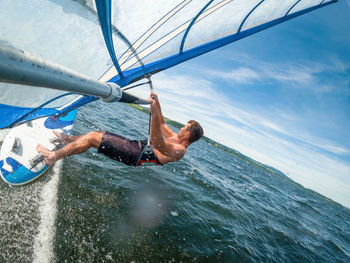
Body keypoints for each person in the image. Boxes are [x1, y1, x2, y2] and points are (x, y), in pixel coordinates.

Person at [37, 92, 203, 166]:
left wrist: (152, 113)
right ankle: (68, 140)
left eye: (184, 127)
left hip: (135, 155)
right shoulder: (175, 137)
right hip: (136, 145)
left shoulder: (179, 151)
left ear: (187, 134)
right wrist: (156, 101)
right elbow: (161, 124)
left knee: (92, 138)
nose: (181, 128)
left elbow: (158, 143)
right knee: (98, 134)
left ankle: (53, 156)